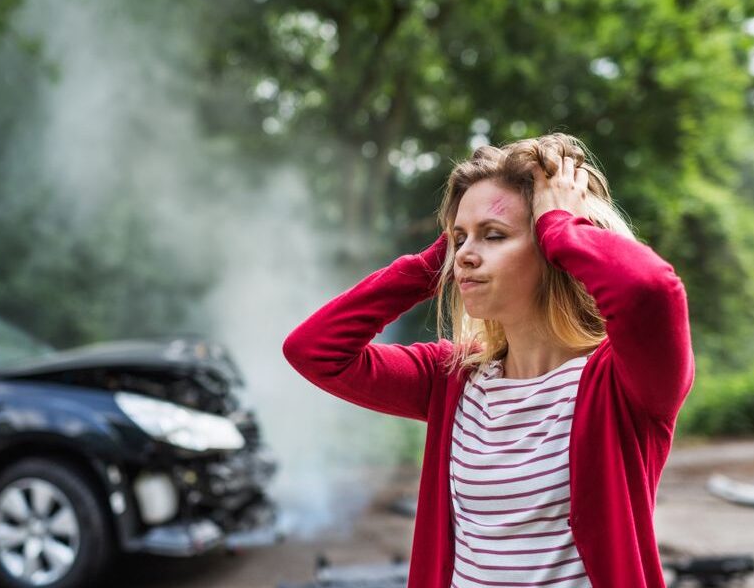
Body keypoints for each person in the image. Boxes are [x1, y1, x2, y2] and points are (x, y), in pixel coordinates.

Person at [282, 132, 695, 587]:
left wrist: (561, 226)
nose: (466, 257)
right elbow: (314, 351)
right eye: (459, 239)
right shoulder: (453, 379)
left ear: (554, 250)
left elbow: (650, 291)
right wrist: (433, 263)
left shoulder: (621, 384)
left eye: (494, 235)